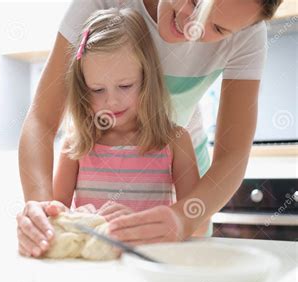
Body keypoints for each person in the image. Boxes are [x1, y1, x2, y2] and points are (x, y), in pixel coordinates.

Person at [17, 0, 283, 258]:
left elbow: (232, 155)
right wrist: (42, 212)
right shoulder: (99, 2)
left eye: (218, 29)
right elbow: (42, 119)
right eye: (193, 3)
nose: (193, 28)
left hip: (180, 162)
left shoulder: (247, 31)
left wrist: (182, 218)